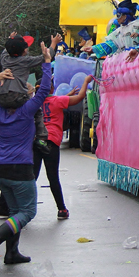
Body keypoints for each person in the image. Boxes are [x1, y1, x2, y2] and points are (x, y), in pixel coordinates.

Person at [0, 35, 59, 266]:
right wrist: (46, 62)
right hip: (19, 169)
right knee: (27, 212)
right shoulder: (27, 110)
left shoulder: (0, 112)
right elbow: (44, 89)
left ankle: (12, 253)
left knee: (15, 210)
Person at [34, 74, 92, 220]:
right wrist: (85, 81)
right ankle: (61, 209)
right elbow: (80, 97)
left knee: (31, 177)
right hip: (51, 141)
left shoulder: (33, 103)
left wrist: (67, 95)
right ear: (52, 88)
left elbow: (48, 103)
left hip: (35, 142)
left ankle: (23, 207)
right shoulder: (58, 101)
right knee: (53, 177)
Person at [0, 33, 51, 155]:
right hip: (17, 95)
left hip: (2, 96)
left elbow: (4, 52)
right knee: (36, 110)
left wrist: (10, 39)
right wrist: (48, 52)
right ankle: (41, 136)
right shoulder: (25, 61)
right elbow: (42, 59)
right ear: (24, 51)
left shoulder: (5, 60)